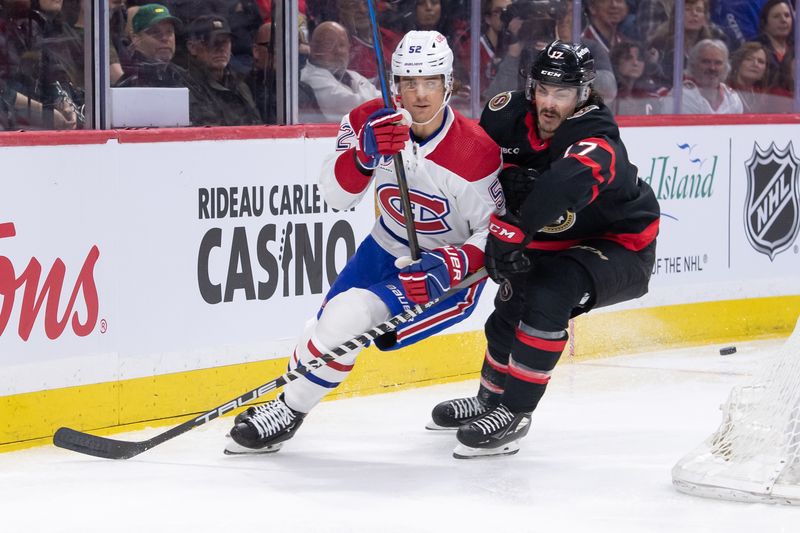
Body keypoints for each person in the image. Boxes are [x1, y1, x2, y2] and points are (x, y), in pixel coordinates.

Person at [224, 30, 504, 455]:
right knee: (320, 331)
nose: (420, 94)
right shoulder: (367, 121)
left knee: (346, 317)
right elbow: (335, 197)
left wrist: (453, 264)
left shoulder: (476, 150)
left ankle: (286, 412)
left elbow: (497, 234)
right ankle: (287, 408)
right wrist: (363, 155)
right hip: (383, 247)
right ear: (395, 84)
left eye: (430, 81)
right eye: (409, 82)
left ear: (449, 83)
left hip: (446, 273)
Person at [429, 40, 660, 458]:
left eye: (563, 93)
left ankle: (515, 413)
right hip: (550, 238)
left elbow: (563, 184)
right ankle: (489, 400)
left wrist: (515, 229)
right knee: (508, 310)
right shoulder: (505, 114)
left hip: (620, 243)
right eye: (544, 90)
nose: (550, 104)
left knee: (549, 292)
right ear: (531, 86)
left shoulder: (597, 133)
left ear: (584, 93)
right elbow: (474, 171)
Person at [184, 14, 261, 126]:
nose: (221, 48)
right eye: (211, 41)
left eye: (225, 41)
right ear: (192, 47)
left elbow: (257, 126)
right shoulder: (187, 87)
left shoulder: (240, 86)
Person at [300, 20, 380, 122]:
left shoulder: (353, 76)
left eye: (342, 45)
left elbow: (380, 97)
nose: (338, 51)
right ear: (314, 49)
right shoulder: (311, 78)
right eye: (329, 45)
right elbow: (357, 106)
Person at [115, 3, 187, 88]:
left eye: (169, 31)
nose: (165, 38)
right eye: (155, 32)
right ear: (136, 39)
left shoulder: (183, 77)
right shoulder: (132, 83)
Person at [674, 38, 743, 114]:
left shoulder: (732, 97)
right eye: (706, 62)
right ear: (693, 64)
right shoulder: (681, 95)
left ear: (726, 67)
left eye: (718, 63)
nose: (712, 68)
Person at [754, 0, 795, 93]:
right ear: (764, 23)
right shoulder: (755, 47)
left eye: (787, 15)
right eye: (776, 16)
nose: (783, 20)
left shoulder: (796, 49)